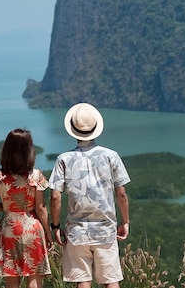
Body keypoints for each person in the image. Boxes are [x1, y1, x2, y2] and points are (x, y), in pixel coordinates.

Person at [49, 102, 131, 288]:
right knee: (111, 281)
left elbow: (55, 197)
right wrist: (125, 222)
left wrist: (55, 227)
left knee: (83, 281)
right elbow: (121, 193)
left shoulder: (63, 159)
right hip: (106, 230)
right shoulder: (111, 156)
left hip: (76, 232)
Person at [0, 128, 52, 288]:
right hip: (32, 228)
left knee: (11, 276)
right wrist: (48, 232)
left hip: (9, 229)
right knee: (34, 274)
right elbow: (40, 208)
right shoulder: (35, 176)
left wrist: (9, 207)